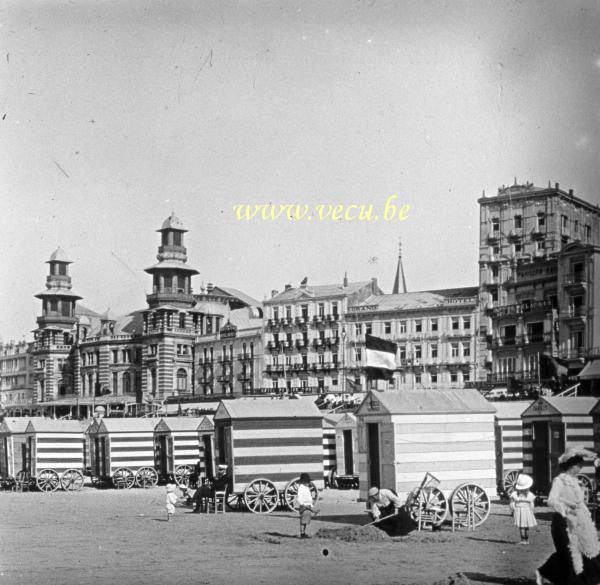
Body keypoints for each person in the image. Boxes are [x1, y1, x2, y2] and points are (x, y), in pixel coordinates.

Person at [537, 447, 600, 585]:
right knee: (569, 553)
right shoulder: (559, 481)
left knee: (586, 550)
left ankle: (585, 579)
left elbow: (579, 502)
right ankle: (548, 573)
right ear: (572, 466)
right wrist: (566, 508)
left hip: (579, 522)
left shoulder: (575, 481)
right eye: (579, 466)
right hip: (563, 522)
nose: (580, 469)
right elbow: (551, 500)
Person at [509, 473, 536, 545]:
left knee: (521, 526)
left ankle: (523, 540)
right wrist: (532, 511)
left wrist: (513, 510)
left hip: (519, 510)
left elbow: (512, 503)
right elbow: (532, 504)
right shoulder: (530, 494)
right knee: (527, 526)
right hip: (527, 510)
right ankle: (527, 540)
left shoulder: (515, 494)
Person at [295, 473, 318, 539]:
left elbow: (309, 497)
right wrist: (302, 504)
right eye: (308, 481)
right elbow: (299, 498)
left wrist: (311, 504)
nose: (309, 483)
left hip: (308, 505)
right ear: (304, 482)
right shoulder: (301, 488)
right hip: (304, 506)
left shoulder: (306, 488)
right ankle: (302, 533)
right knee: (302, 521)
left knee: (306, 520)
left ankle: (304, 533)